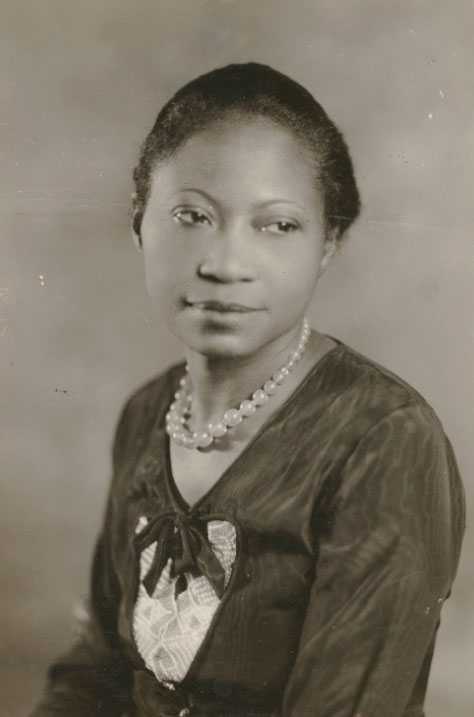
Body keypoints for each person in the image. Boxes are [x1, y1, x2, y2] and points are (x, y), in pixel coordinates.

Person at [31, 62, 465, 717]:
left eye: (277, 225)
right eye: (192, 215)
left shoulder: (382, 438)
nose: (225, 263)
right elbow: (97, 668)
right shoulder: (147, 412)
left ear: (329, 242)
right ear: (139, 219)